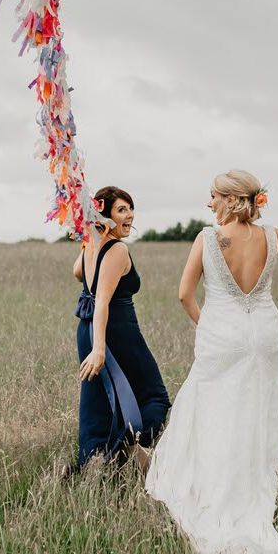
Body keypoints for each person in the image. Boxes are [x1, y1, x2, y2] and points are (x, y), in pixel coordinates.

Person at [145, 169, 278, 554]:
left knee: (218, 409)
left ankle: (218, 488)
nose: (209, 203)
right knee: (261, 403)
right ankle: (260, 475)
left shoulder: (206, 239)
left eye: (213, 196)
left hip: (223, 334)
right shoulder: (272, 236)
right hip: (267, 334)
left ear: (230, 198)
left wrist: (208, 326)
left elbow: (184, 294)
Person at [72, 186, 170, 469]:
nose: (129, 215)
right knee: (155, 396)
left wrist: (91, 236)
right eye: (121, 210)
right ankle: (127, 445)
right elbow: (102, 300)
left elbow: (77, 272)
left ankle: (94, 459)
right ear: (105, 214)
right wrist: (100, 350)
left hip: (88, 330)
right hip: (116, 332)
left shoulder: (91, 245)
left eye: (130, 208)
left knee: (98, 400)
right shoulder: (116, 249)